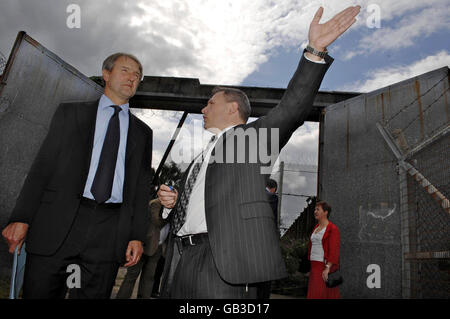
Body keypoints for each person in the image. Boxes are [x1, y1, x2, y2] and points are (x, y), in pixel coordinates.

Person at [157, 6, 360, 299]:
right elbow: (197, 207)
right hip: (181, 260)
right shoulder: (201, 157)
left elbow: (291, 109)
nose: (203, 109)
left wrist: (314, 51)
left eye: (210, 103)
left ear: (232, 108)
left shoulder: (248, 141)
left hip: (221, 262)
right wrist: (171, 205)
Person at [1, 53, 153, 299]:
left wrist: (136, 236)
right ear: (106, 74)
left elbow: (140, 188)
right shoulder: (71, 114)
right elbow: (43, 167)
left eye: (137, 75)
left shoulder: (143, 133)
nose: (132, 78)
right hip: (58, 221)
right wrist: (21, 217)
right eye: (125, 70)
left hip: (109, 231)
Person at [116, 198, 168, 299]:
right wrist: (170, 213)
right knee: (131, 276)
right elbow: (157, 221)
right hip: (144, 245)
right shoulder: (155, 203)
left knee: (149, 278)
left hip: (157, 247)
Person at [306, 201, 340, 299]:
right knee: (316, 293)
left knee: (319, 294)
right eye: (315, 209)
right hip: (314, 266)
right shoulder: (316, 227)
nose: (315, 211)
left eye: (318, 209)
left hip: (322, 266)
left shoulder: (332, 229)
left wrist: (328, 267)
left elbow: (334, 249)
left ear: (325, 212)